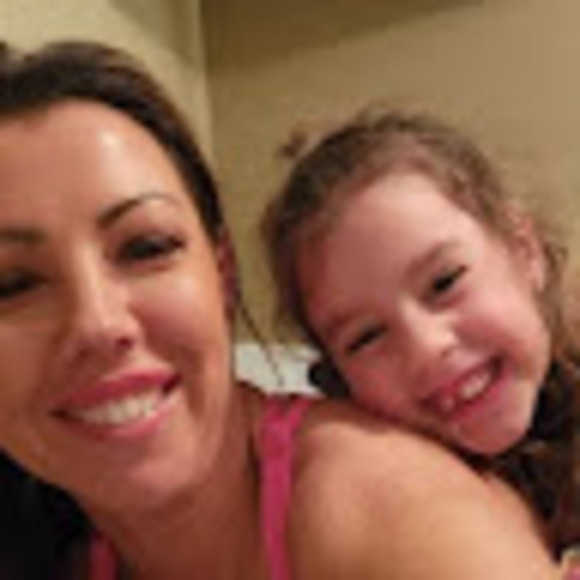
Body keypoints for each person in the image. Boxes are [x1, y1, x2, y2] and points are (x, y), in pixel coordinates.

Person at [0, 40, 559, 580]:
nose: (98, 323)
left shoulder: (401, 517)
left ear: (222, 276)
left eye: (146, 247)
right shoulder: (56, 547)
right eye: (13, 285)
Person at [262, 107, 579, 572]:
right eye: (367, 337)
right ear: (337, 377)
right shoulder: (380, 502)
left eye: (445, 282)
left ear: (524, 251)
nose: (427, 347)